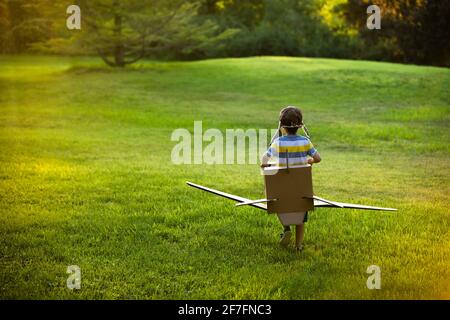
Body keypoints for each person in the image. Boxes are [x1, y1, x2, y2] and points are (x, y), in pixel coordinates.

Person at [260, 106, 321, 251]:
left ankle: (286, 227)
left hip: (282, 188)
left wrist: (268, 165)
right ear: (300, 126)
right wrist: (308, 161)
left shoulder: (277, 143)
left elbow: (263, 160)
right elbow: (317, 158)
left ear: (281, 126)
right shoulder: (305, 141)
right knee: (301, 215)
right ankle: (298, 245)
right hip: (301, 188)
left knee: (277, 202)